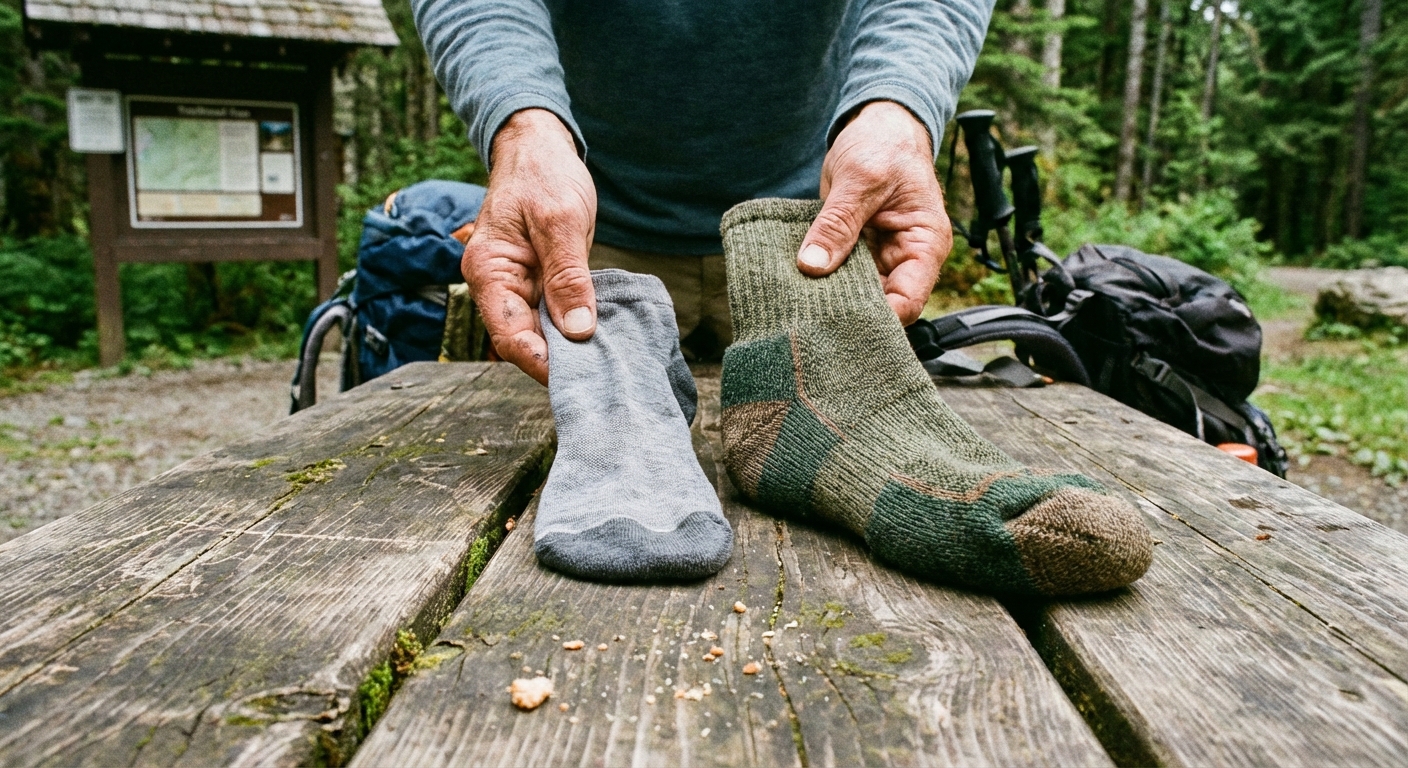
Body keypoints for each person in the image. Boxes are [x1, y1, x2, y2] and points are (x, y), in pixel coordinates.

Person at [412, 0, 996, 382]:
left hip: (812, 238)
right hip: (582, 236)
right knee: (568, 448)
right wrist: (521, 127)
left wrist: (897, 108)